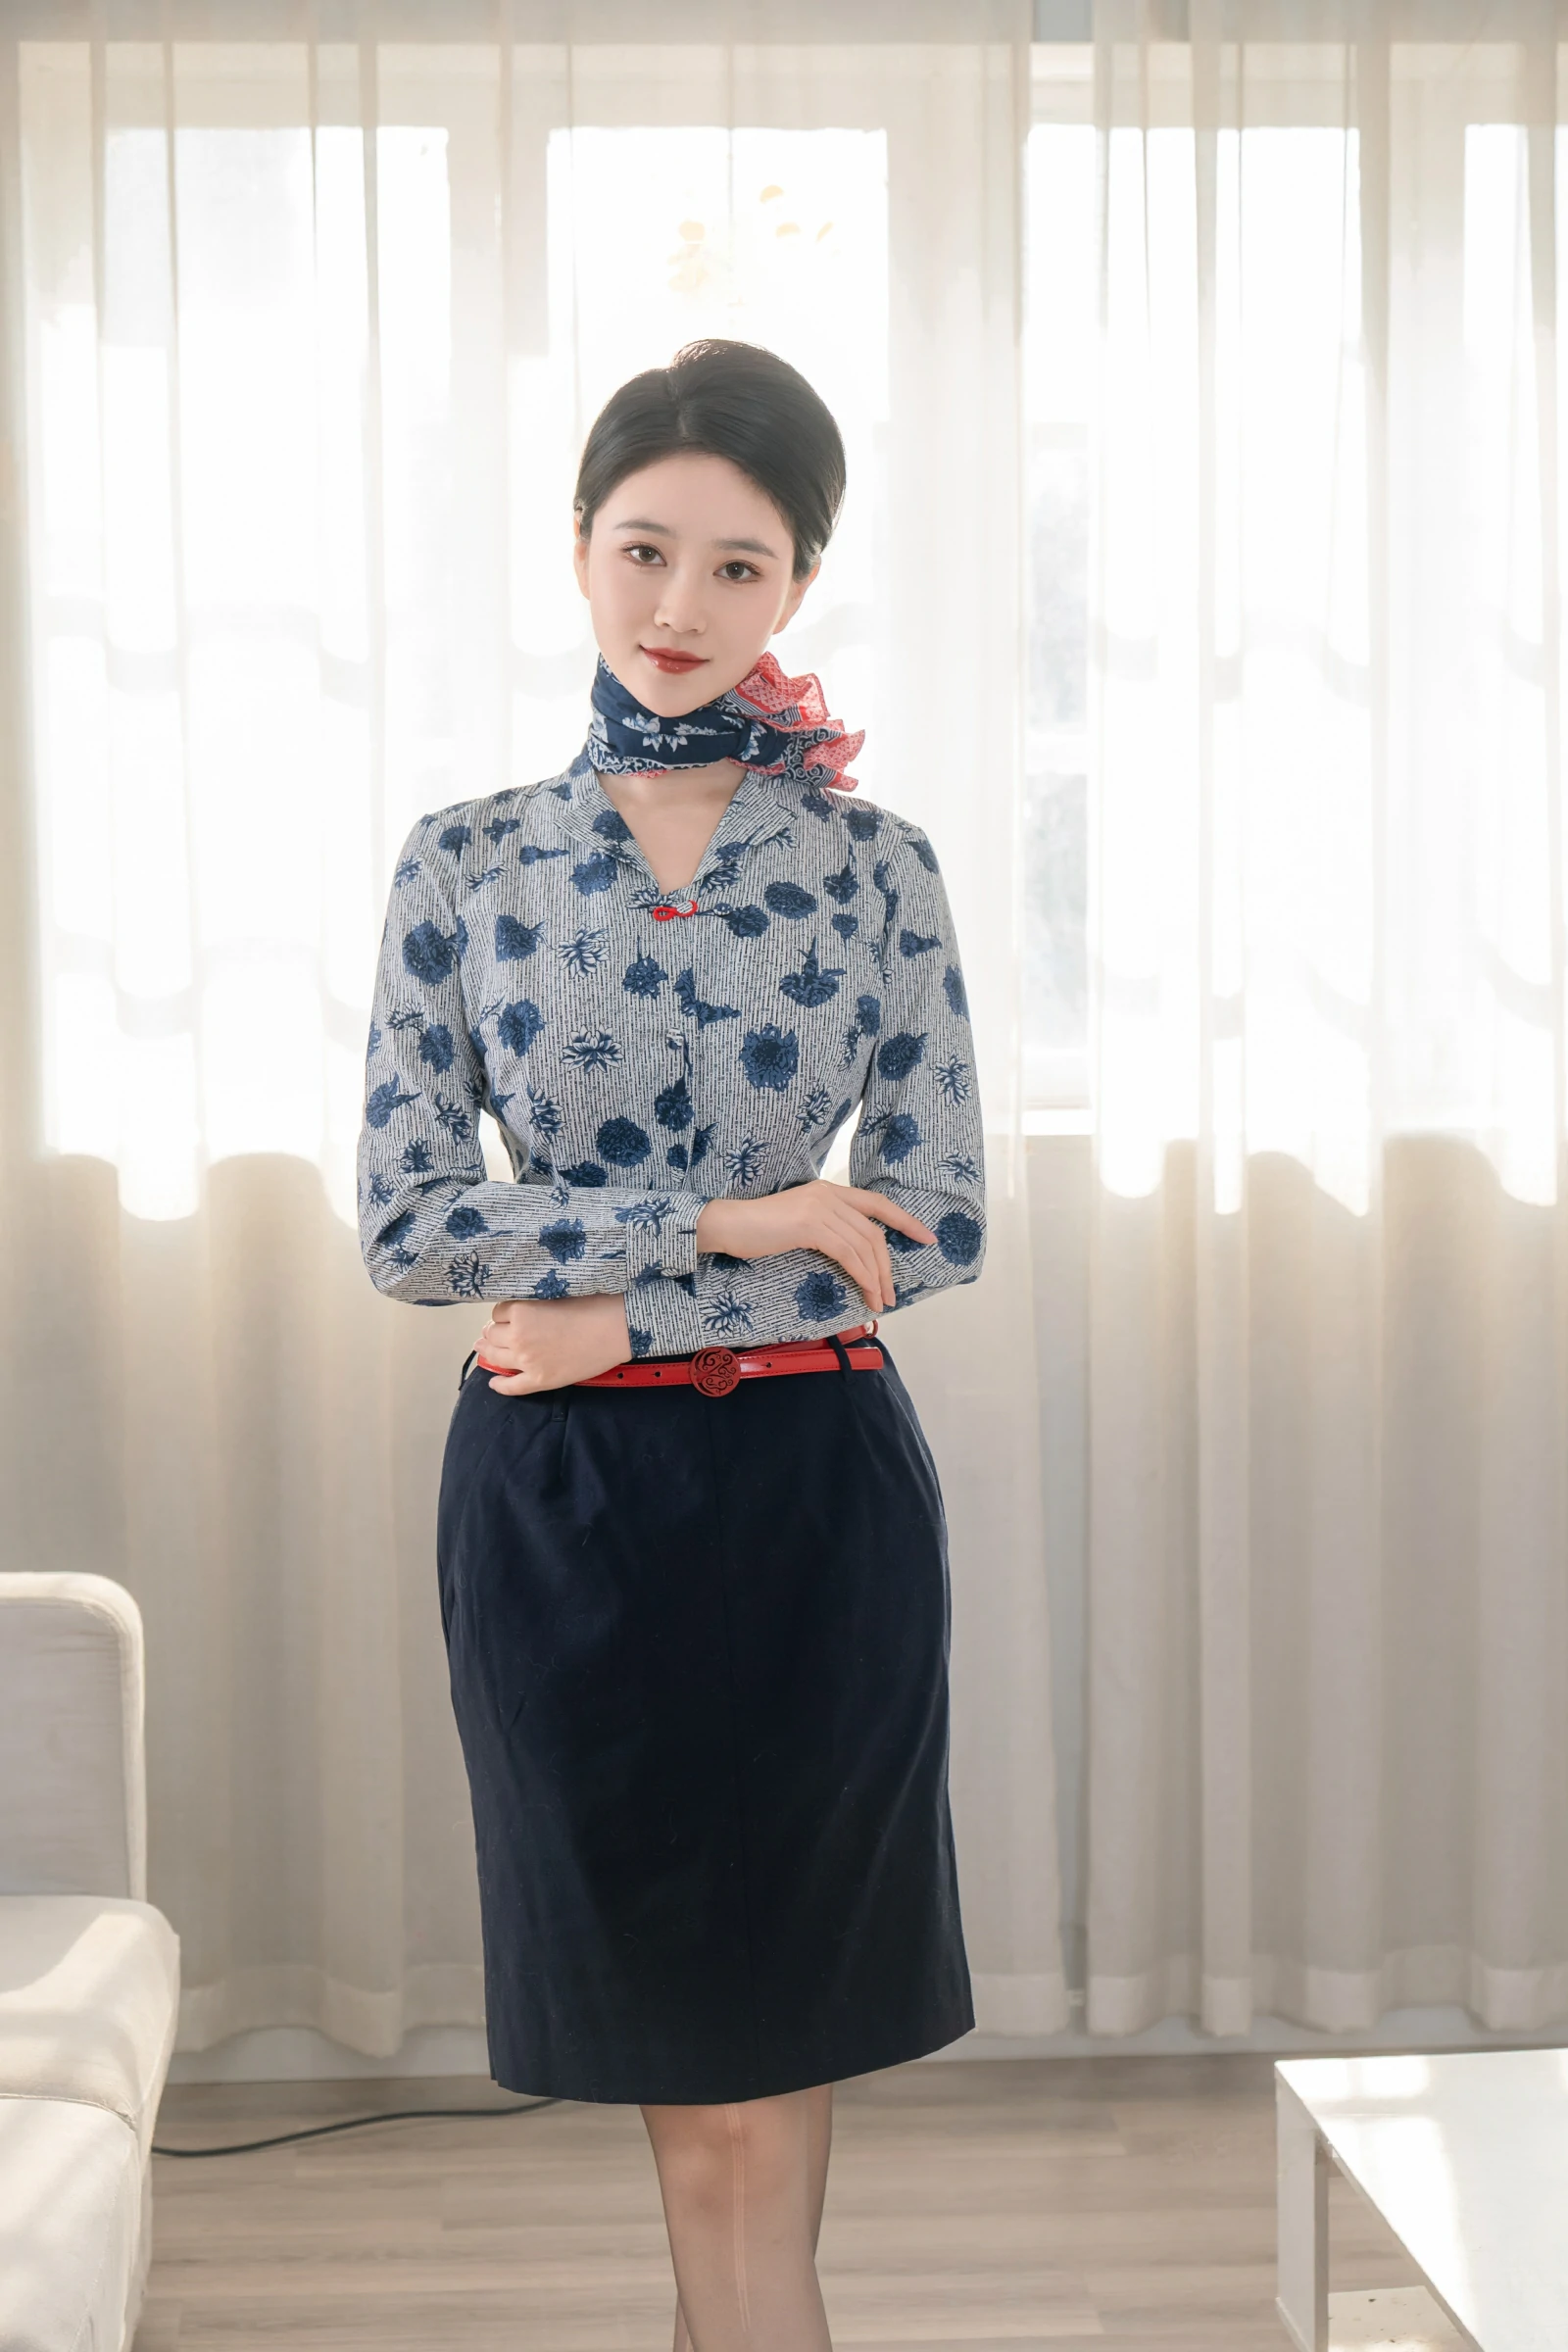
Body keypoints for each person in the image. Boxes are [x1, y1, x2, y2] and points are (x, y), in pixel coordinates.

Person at [357, 338, 986, 2352]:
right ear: (576, 550)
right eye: (643, 550)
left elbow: (935, 1222)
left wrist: (623, 1308)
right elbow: (409, 1227)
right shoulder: (465, 861)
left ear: (797, 585)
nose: (679, 605)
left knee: (773, 2060)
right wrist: (728, 1222)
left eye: (738, 566)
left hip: (815, 1501)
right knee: (682, 2067)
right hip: (566, 1516)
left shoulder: (877, 869)